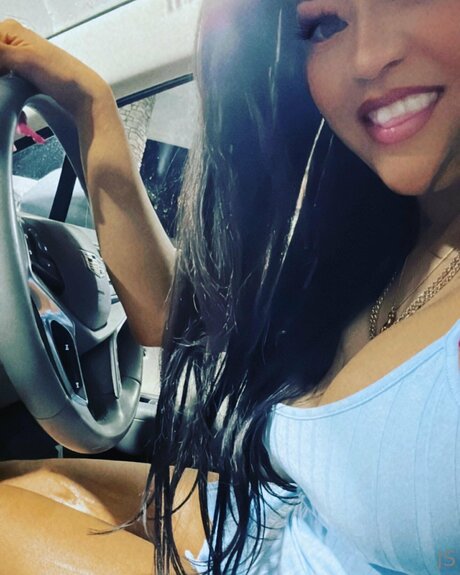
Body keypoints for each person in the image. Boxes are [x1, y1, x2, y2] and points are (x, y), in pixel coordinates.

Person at [0, 0, 459, 573]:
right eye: (325, 24)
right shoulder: (380, 235)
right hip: (272, 521)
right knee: (26, 481)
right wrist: (90, 108)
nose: (367, 58)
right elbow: (178, 324)